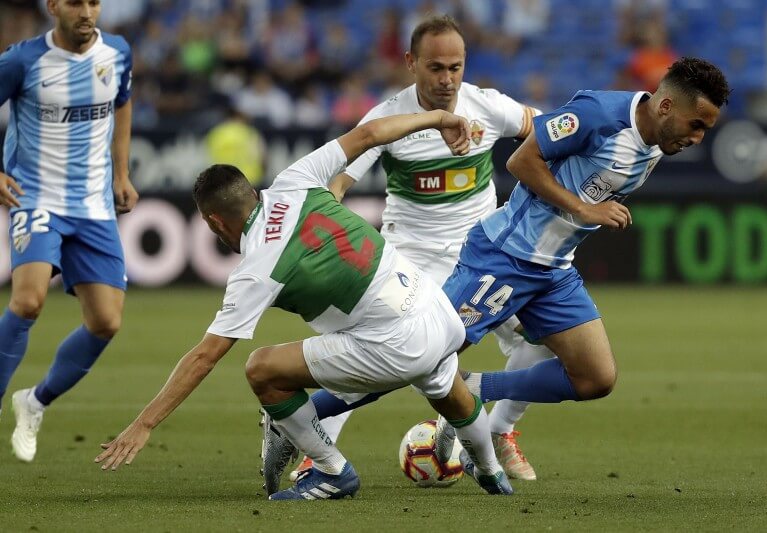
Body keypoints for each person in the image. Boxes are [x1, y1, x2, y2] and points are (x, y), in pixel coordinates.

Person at [95, 109, 514, 500]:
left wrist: (144, 424)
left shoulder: (257, 265)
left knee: (262, 369)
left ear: (214, 222)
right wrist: (439, 117)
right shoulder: (296, 178)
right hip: (435, 307)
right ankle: (492, 472)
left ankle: (332, 470)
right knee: (449, 394)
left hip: (397, 341)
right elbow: (368, 134)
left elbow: (205, 356)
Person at [296, 14, 555, 482]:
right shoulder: (387, 118)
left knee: (544, 339)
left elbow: (545, 130)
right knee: (366, 354)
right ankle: (319, 450)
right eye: (436, 68)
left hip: (483, 257)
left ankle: (499, 431)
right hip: (410, 262)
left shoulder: (488, 106)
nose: (447, 79)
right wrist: (327, 214)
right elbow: (340, 179)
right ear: (411, 63)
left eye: (456, 67)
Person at [433, 57, 730, 446]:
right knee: (421, 354)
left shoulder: (658, 143)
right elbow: (520, 160)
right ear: (666, 106)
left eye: (705, 130)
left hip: (554, 271)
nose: (697, 139)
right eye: (696, 125)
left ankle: (470, 389)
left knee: (596, 377)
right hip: (507, 256)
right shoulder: (597, 115)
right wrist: (583, 208)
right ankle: (324, 420)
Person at [0, 0, 136, 462]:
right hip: (35, 195)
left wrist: (121, 173)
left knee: (106, 322)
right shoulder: (22, 60)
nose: (87, 11)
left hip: (93, 206)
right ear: (52, 6)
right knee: (28, 299)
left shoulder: (117, 52)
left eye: (94, 2)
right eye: (76, 2)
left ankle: (34, 401)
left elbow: (123, 104)